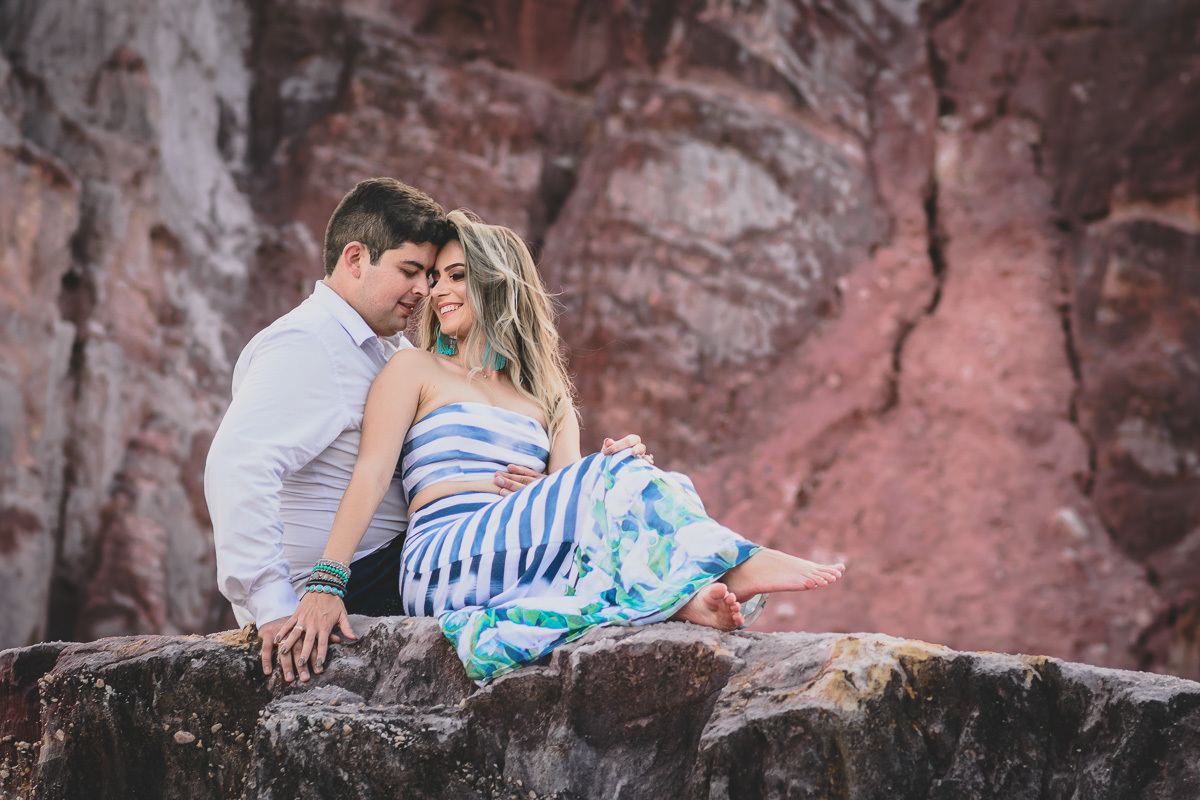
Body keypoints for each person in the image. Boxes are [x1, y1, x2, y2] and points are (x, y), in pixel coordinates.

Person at [276, 210, 845, 684]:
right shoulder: (415, 368)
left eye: (456, 276)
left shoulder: (549, 401)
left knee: (629, 470)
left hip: (533, 562)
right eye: (434, 278)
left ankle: (683, 601)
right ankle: (736, 560)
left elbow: (578, 514)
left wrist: (560, 488)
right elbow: (372, 476)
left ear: (496, 281)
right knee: (612, 473)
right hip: (443, 560)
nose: (436, 291)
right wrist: (327, 585)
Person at [205, 179, 646, 683]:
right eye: (412, 272)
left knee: (616, 482)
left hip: (409, 560)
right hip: (356, 580)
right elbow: (237, 467)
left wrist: (550, 495)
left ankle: (675, 595)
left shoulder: (389, 352)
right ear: (355, 259)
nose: (426, 291)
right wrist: (276, 606)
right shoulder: (311, 345)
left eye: (434, 276)